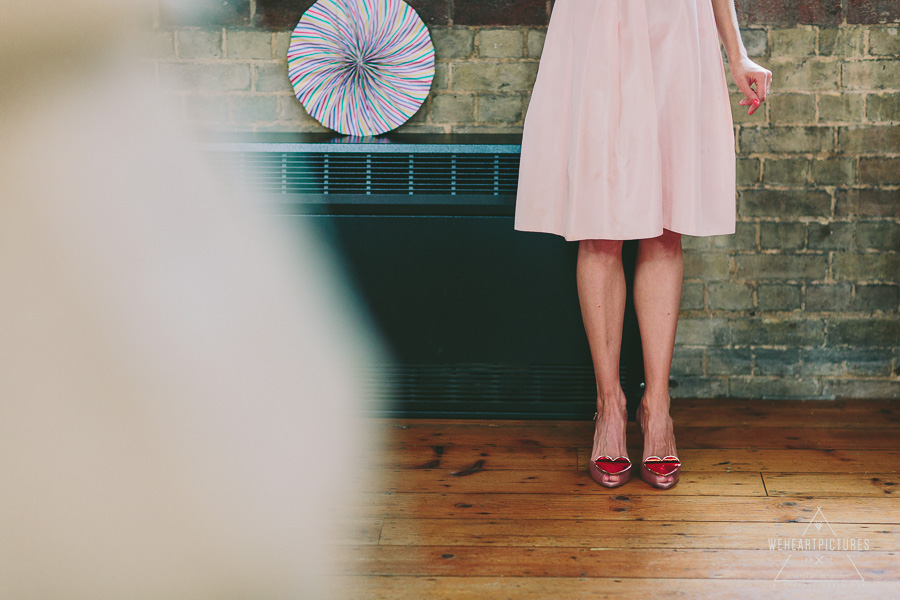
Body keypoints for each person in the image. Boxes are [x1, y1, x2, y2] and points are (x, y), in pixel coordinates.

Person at [514, 0, 771, 489]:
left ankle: (658, 409)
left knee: (664, 223)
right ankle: (609, 408)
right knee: (599, 224)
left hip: (676, 25)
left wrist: (736, 53)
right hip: (595, 23)